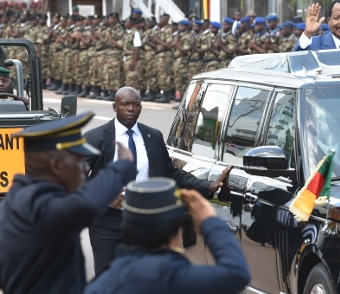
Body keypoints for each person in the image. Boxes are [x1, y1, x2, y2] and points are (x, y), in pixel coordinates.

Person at [84, 86, 232, 274]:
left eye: (136, 105)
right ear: (115, 107)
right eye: (125, 104)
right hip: (107, 222)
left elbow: (172, 174)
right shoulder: (96, 138)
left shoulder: (152, 136)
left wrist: (208, 186)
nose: (131, 109)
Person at [0, 113, 136, 294]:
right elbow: (86, 205)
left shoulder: (17, 201)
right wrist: (122, 167)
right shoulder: (38, 207)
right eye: (79, 160)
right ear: (56, 165)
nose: (86, 167)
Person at [84, 178, 250, 294]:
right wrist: (209, 220)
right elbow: (237, 274)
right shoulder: (173, 278)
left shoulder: (103, 282)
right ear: (178, 230)